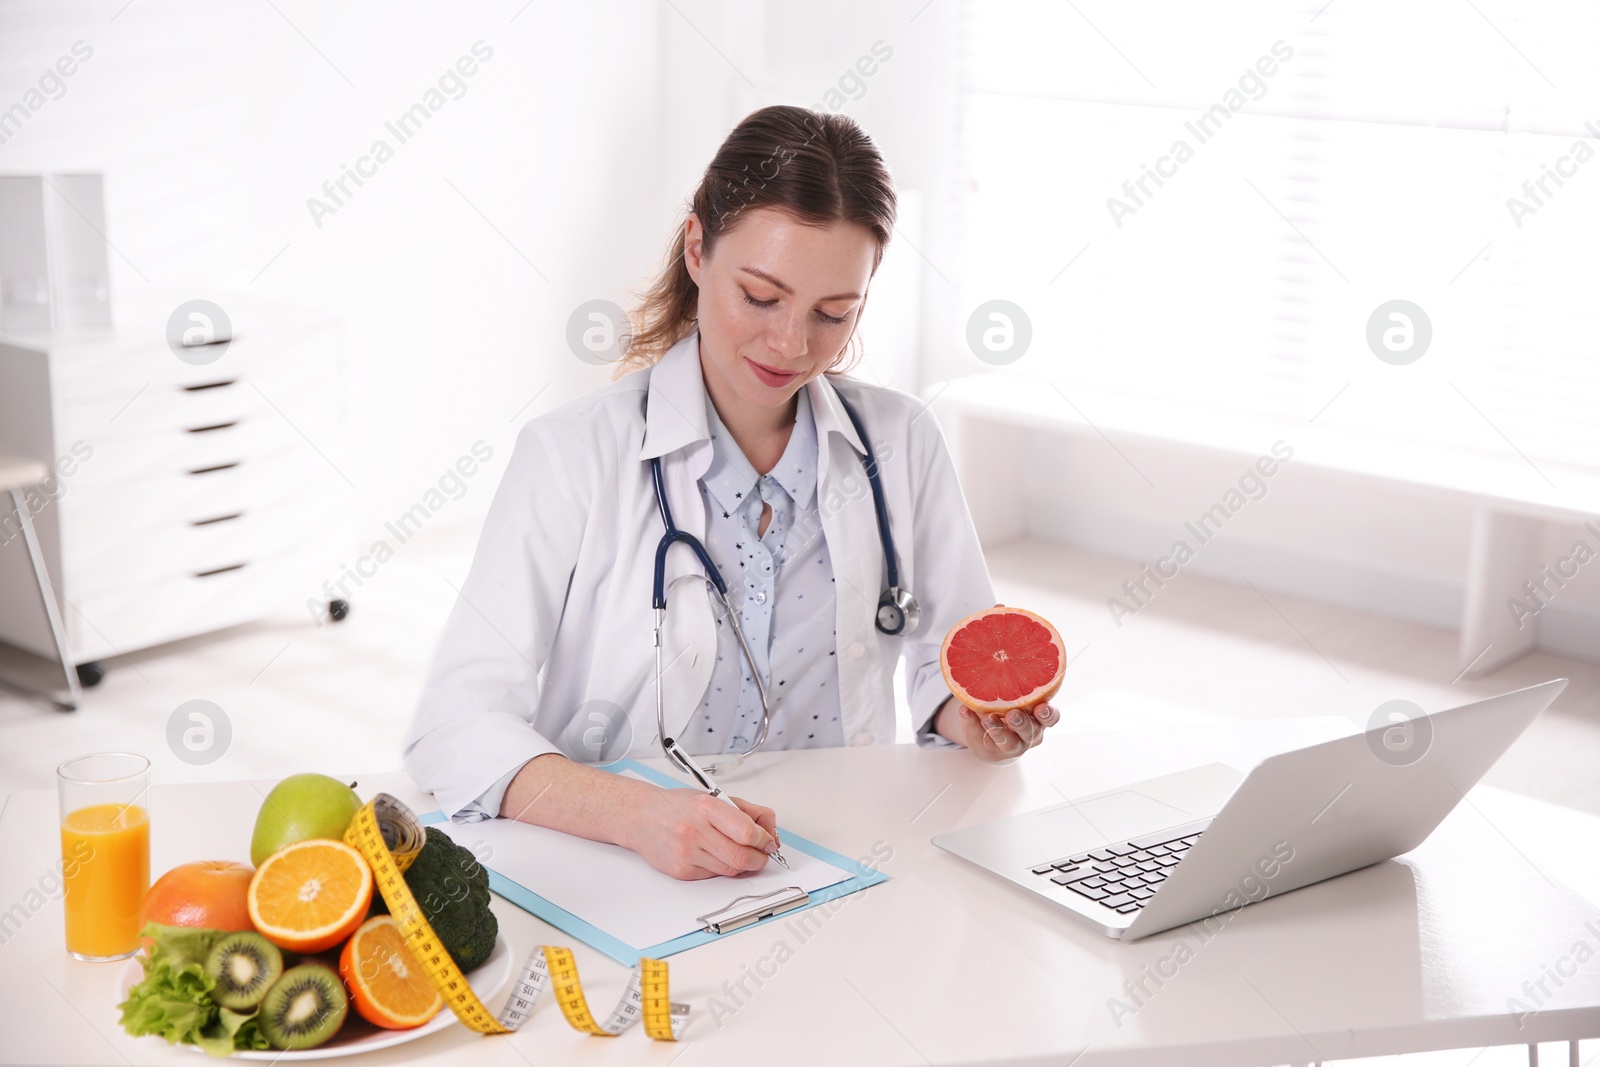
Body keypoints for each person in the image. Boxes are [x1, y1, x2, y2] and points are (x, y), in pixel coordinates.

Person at [403, 105, 1061, 881]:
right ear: (696, 249)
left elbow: (947, 669)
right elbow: (452, 726)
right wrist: (635, 814)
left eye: (833, 314)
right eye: (760, 296)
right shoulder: (570, 455)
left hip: (842, 858)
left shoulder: (902, 442)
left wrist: (978, 720)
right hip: (626, 868)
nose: (792, 343)